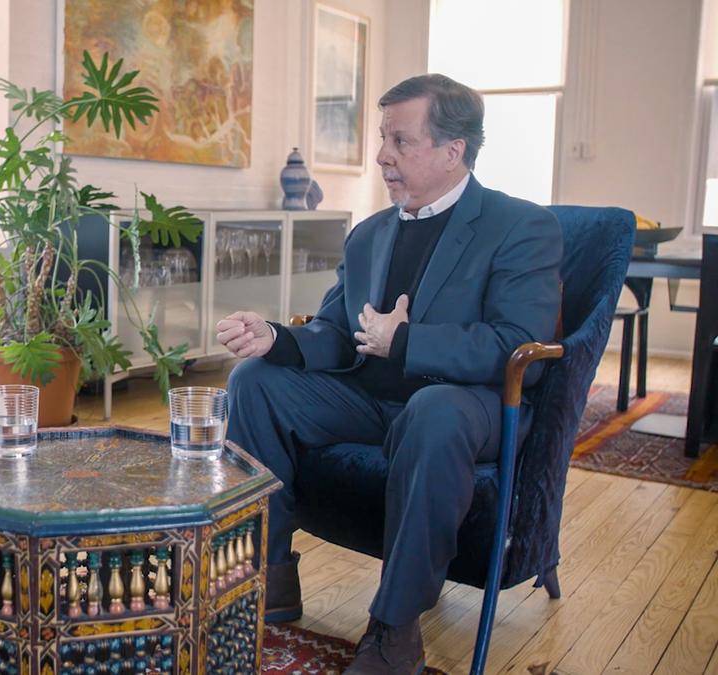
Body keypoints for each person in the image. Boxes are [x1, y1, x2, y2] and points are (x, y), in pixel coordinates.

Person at [216, 74, 562, 675]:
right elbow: (335, 330)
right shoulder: (369, 234)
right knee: (254, 380)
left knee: (434, 413)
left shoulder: (519, 226)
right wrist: (276, 337)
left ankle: (394, 628)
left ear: (453, 151)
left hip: (466, 405)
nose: (382, 155)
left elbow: (516, 346)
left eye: (401, 141)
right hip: (369, 401)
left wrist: (405, 341)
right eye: (383, 138)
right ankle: (269, 576)